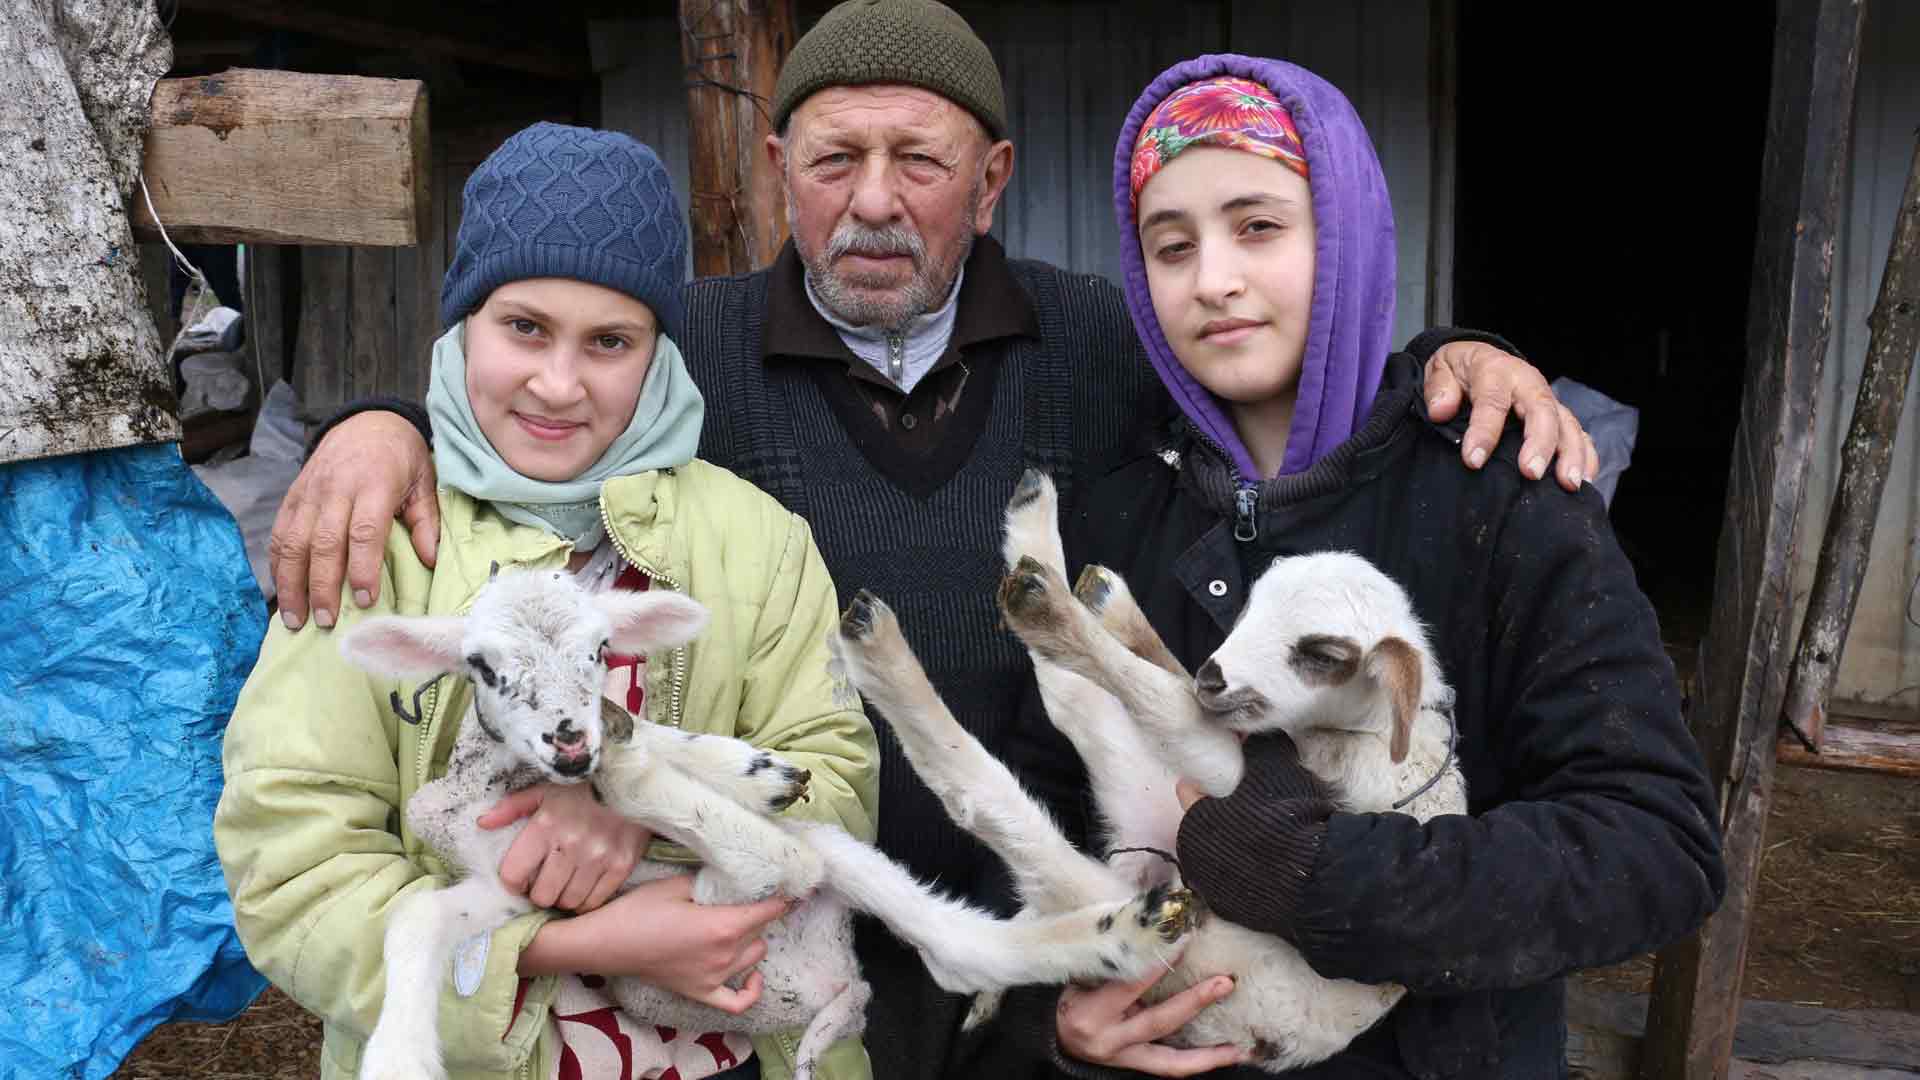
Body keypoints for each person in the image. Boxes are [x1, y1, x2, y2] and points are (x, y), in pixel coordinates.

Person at [264, 4, 1602, 1076]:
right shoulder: (691, 357)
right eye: (836, 158)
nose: (876, 200)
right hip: (784, 931)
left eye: (923, 158)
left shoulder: (1103, 340)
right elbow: (541, 396)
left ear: (995, 176)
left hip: (1047, 917)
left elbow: (1270, 353)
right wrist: (378, 424)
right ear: (781, 171)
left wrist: (1449, 355)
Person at [1018, 56, 1724, 1078]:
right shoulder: (1119, 516)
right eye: (1170, 247)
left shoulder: (1501, 494)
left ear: (1342, 235)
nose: (1212, 278)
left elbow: (1653, 848)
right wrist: (1055, 1019)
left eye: (1258, 227)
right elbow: (1044, 788)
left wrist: (1316, 875)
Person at [213, 124, 879, 1080]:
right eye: (523, 327)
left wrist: (643, 808)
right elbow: (292, 861)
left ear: (657, 353)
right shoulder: (375, 539)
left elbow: (836, 781)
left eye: (610, 341)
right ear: (462, 324)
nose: (559, 384)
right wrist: (565, 946)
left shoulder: (757, 543)